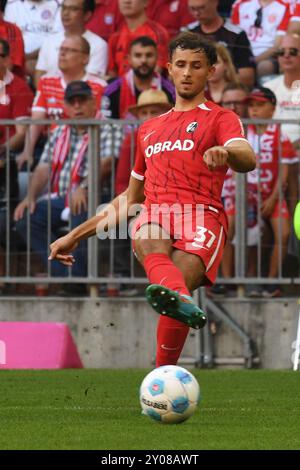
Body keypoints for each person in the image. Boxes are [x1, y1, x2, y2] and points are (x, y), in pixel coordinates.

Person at [49, 32, 256, 366]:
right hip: (158, 211)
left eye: (196, 66)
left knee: (176, 288)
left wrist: (227, 153)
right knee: (149, 233)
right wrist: (74, 236)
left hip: (202, 215)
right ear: (169, 69)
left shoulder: (220, 118)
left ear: (210, 72)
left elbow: (246, 155)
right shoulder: (149, 129)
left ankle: (162, 374)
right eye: (181, 65)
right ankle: (177, 308)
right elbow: (130, 198)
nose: (188, 72)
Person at [14, 81, 107, 285]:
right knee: (26, 219)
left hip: (97, 194)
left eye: (82, 101)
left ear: (93, 102)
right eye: (71, 102)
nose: (77, 106)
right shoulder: (59, 132)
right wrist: (29, 197)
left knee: (80, 208)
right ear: (65, 107)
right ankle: (66, 277)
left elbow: (106, 163)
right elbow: (42, 168)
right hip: (61, 197)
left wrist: (84, 187)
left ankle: (80, 281)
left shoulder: (108, 127)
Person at [35, 0, 108, 86]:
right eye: (64, 8)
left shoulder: (99, 45)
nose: (66, 13)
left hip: (79, 97)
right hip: (50, 96)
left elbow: (91, 82)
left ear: (87, 15)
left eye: (73, 9)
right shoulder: (49, 40)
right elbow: (40, 74)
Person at [185, 0, 255, 87]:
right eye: (192, 9)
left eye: (201, 8)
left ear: (215, 2)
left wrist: (221, 82)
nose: (196, 13)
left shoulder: (236, 34)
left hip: (228, 89)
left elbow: (247, 77)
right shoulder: (187, 33)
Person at [103, 36, 175, 119]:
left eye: (149, 55)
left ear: (157, 58)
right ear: (129, 59)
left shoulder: (171, 92)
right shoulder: (111, 91)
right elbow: (106, 127)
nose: (143, 60)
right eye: (138, 55)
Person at [107, 0, 169, 78]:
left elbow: (157, 70)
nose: (126, 1)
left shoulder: (158, 33)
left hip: (150, 87)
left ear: (145, 2)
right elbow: (112, 73)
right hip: (122, 88)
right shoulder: (114, 37)